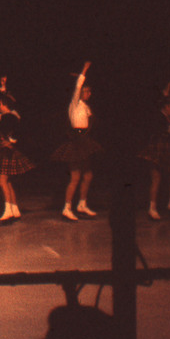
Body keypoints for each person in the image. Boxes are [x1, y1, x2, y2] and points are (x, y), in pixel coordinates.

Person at [50, 61, 102, 221]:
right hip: (75, 142)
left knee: (88, 175)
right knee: (76, 177)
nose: (89, 93)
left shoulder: (86, 107)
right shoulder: (75, 104)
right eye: (86, 91)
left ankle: (82, 204)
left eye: (90, 91)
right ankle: (67, 208)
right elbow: (78, 86)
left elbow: (91, 123)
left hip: (85, 141)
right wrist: (84, 70)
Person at [0, 77, 35, 224]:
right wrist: (3, 86)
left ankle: (8, 211)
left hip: (8, 151)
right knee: (8, 181)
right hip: (6, 150)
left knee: (1, 180)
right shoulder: (5, 115)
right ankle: (14, 209)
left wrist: (9, 142)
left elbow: (16, 132)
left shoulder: (10, 116)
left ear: (4, 105)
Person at [137, 81, 170, 220]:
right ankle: (152, 208)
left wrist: (167, 92)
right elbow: (158, 106)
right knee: (156, 178)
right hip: (157, 148)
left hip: (168, 148)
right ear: (166, 106)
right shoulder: (158, 115)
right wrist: (165, 93)